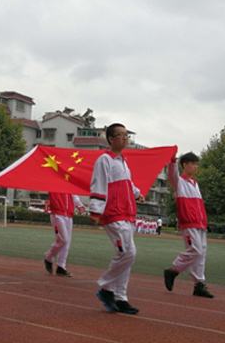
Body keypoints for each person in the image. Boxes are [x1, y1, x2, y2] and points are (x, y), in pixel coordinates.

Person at [89, 123, 145, 314]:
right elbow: (99, 184)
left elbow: (127, 183)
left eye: (126, 134)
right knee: (127, 254)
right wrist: (95, 211)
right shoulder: (104, 160)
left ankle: (121, 297)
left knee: (128, 256)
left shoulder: (122, 161)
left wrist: (137, 194)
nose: (125, 138)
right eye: (121, 135)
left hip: (127, 213)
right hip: (113, 214)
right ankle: (106, 288)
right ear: (111, 139)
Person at [163, 152, 214, 299]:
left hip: (200, 223)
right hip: (189, 222)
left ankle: (199, 284)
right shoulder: (179, 182)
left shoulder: (195, 183)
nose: (196, 167)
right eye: (193, 164)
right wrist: (172, 160)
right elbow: (172, 175)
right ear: (185, 165)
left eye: (197, 164)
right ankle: (173, 271)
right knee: (195, 250)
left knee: (201, 254)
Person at [44, 192, 85, 277]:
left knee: (67, 242)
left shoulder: (68, 180)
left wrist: (79, 205)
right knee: (63, 239)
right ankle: (49, 256)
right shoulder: (53, 181)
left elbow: (73, 194)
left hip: (69, 214)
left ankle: (61, 266)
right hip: (57, 213)